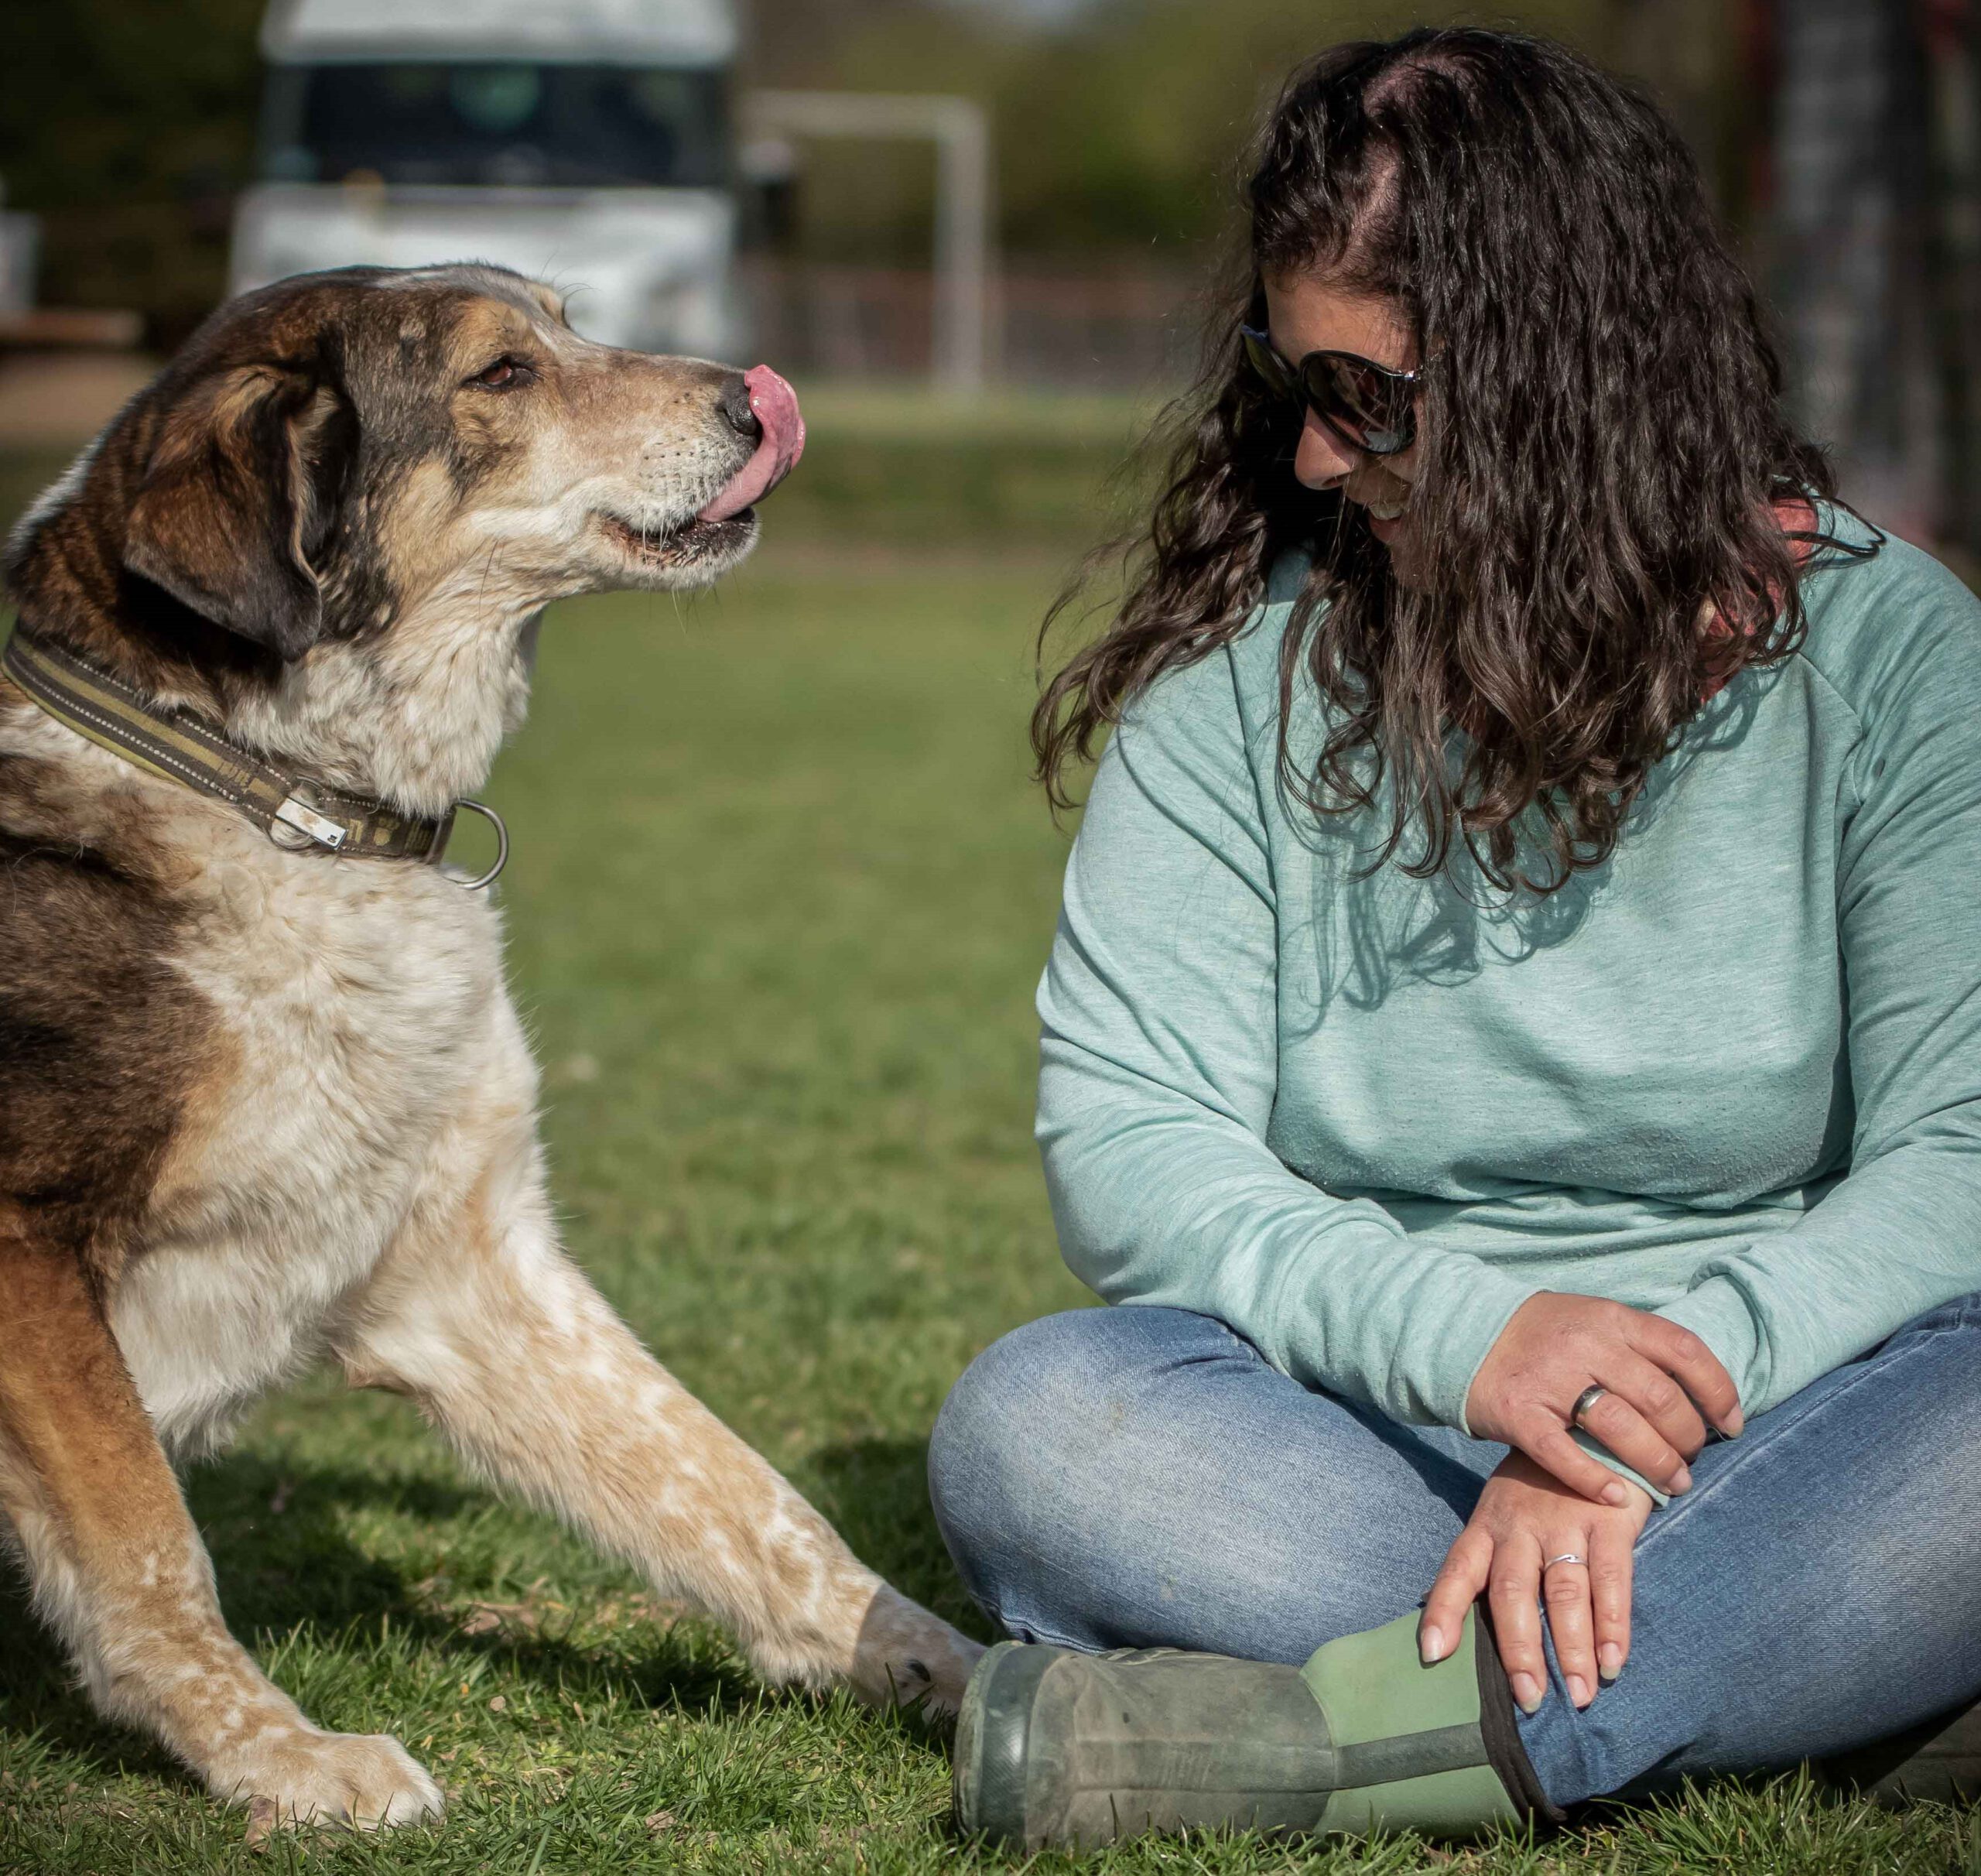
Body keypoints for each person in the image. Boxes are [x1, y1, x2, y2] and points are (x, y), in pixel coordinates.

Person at [926, 26, 1981, 1852]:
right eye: (1292, 382)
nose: (1321, 458)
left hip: (1821, 1397)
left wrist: (1639, 1428)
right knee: (1039, 1426)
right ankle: (1821, 1669)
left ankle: (1327, 1748)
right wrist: (1482, 1349)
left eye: (1375, 398)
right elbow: (1133, 1148)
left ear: (1567, 385)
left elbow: (1955, 1157)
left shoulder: (1897, 670)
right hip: (1381, 1433)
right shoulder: (1222, 705)